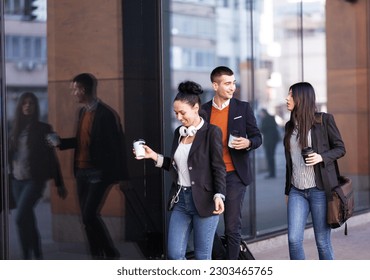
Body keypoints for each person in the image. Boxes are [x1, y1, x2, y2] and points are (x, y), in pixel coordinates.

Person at [136, 81, 226, 260]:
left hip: (205, 201)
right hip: (181, 201)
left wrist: (219, 195)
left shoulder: (211, 132)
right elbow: (176, 165)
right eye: (176, 113)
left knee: (202, 257)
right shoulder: (179, 132)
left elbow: (218, 168)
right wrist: (154, 156)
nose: (178, 117)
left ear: (196, 108)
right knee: (175, 254)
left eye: (182, 112)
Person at [47, 73, 128, 259]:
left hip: (98, 173)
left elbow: (118, 147)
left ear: (83, 90)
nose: (74, 93)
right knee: (86, 218)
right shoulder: (82, 112)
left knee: (88, 216)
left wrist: (124, 177)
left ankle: (109, 252)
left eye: (75, 89)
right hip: (81, 172)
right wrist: (60, 142)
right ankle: (97, 255)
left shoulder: (106, 114)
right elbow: (82, 141)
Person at [202, 66, 262, 260]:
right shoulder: (203, 111)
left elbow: (257, 136)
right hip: (210, 177)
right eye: (227, 83)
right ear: (215, 85)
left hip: (235, 175)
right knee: (205, 225)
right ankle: (221, 260)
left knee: (232, 227)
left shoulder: (242, 108)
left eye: (233, 83)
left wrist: (249, 143)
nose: (232, 87)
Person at [284, 82, 346, 260]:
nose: (287, 99)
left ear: (302, 98)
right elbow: (290, 164)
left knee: (322, 242)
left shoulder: (324, 120)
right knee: (294, 239)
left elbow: (340, 148)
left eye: (291, 95)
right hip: (296, 191)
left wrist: (321, 157)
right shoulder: (289, 127)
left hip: (319, 190)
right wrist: (287, 191)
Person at [8, 92, 67, 259]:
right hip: (17, 181)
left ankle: (28, 256)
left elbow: (51, 157)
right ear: (20, 107)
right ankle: (34, 256)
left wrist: (59, 183)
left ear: (35, 107)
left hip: (34, 181)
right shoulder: (14, 129)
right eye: (24, 103)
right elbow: (10, 155)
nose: (27, 106)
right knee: (27, 218)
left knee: (20, 218)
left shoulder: (44, 129)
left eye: (31, 103)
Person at [259, 108, 280, 178]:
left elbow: (262, 129)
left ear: (263, 113)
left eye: (261, 113)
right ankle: (272, 173)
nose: (260, 115)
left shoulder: (265, 119)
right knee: (271, 157)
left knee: (269, 157)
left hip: (269, 141)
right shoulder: (271, 118)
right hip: (274, 140)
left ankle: (271, 173)